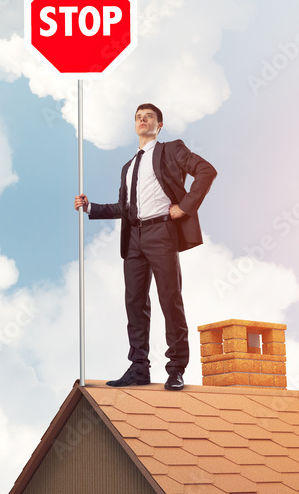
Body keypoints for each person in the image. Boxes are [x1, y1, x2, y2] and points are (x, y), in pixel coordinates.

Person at [74, 103, 216, 390]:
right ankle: (139, 368)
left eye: (149, 116)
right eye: (139, 117)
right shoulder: (128, 167)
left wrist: (186, 207)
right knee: (135, 304)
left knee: (169, 300)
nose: (143, 120)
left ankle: (176, 369)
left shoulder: (172, 150)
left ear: (159, 125)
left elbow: (206, 171)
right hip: (134, 239)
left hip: (162, 232)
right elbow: (125, 208)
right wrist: (91, 207)